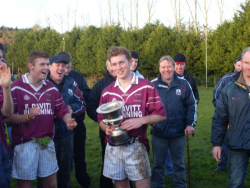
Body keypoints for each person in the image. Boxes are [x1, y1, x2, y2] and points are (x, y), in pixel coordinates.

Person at [5, 50, 77, 188]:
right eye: (42, 64)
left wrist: (68, 120)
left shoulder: (51, 88)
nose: (46, 68)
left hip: (46, 142)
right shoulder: (16, 88)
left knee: (50, 183)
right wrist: (26, 117)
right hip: (24, 144)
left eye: (47, 64)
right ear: (30, 65)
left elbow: (62, 110)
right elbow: (7, 118)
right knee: (25, 185)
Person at [97, 46, 167, 188]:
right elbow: (100, 120)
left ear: (130, 62)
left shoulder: (146, 86)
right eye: (114, 64)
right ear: (110, 66)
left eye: (121, 62)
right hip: (114, 147)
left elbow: (161, 115)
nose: (118, 67)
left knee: (143, 185)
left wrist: (141, 120)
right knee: (121, 185)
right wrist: (107, 128)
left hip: (136, 144)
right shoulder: (106, 92)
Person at [151, 55, 197, 188]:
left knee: (179, 164)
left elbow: (191, 104)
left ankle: (180, 185)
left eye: (169, 66)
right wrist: (150, 121)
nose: (166, 70)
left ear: (173, 67)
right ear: (159, 69)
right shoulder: (153, 85)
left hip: (178, 133)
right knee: (158, 165)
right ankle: (157, 185)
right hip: (159, 133)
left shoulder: (184, 84)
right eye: (163, 67)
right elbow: (145, 106)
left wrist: (190, 124)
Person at [211, 47, 250, 187]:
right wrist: (216, 143)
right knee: (235, 184)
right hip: (237, 144)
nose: (249, 66)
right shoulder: (229, 88)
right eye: (246, 62)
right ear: (241, 63)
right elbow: (220, 118)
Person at [47, 55, 86, 188]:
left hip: (66, 134)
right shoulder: (43, 83)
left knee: (65, 170)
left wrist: (71, 109)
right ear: (50, 66)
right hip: (47, 135)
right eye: (57, 65)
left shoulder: (71, 83)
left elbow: (81, 103)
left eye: (63, 65)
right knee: (46, 172)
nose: (61, 68)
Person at [57, 51, 91, 188]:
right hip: (59, 126)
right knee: (62, 158)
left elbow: (87, 94)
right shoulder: (51, 78)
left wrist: (76, 95)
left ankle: (84, 181)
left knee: (79, 155)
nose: (65, 70)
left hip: (77, 123)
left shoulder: (77, 76)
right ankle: (63, 181)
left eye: (68, 67)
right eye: (62, 67)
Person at [164, 52, 200, 176]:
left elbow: (195, 94)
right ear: (174, 65)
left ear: (185, 65)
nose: (179, 67)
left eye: (182, 64)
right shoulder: (168, 77)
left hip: (183, 118)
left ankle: (178, 168)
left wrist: (195, 100)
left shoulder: (190, 79)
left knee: (179, 145)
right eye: (177, 64)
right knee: (168, 145)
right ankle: (169, 169)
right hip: (168, 118)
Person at [87, 59, 116, 188]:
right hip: (107, 132)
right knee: (108, 162)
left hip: (128, 130)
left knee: (128, 164)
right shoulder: (100, 85)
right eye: (112, 65)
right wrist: (102, 121)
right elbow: (91, 106)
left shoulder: (129, 83)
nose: (115, 68)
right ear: (107, 67)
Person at [212, 55, 242, 172]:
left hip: (240, 120)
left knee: (239, 143)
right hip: (226, 118)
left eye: (242, 65)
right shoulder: (226, 79)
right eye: (238, 65)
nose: (240, 68)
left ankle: (240, 165)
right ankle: (221, 165)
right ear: (234, 65)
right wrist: (223, 112)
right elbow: (216, 95)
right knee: (223, 141)